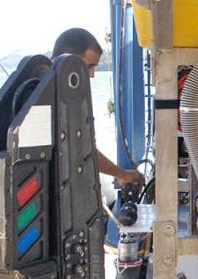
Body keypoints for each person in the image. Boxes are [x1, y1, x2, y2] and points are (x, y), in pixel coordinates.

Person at [52, 28, 145, 187]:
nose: (92, 74)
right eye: (88, 66)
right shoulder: (61, 99)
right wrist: (122, 174)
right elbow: (85, 150)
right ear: (69, 60)